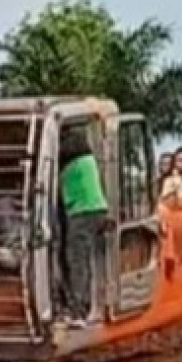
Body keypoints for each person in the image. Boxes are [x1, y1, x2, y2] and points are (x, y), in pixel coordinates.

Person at [59, 130, 108, 327]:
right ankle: (85, 306)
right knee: (86, 260)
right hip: (96, 209)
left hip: (81, 212)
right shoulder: (87, 161)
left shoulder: (69, 165)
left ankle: (79, 311)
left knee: (77, 261)